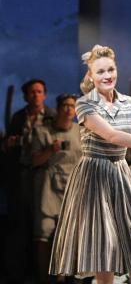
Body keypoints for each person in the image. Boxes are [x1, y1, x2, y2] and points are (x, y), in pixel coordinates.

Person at [48, 45, 131, 284]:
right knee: (104, 247)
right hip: (95, 174)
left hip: (120, 173)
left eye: (110, 69)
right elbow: (112, 136)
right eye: (100, 71)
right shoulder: (85, 104)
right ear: (91, 75)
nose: (107, 75)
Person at [3, 78, 56, 283]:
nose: (36, 95)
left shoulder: (51, 116)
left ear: (44, 94)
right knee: (20, 222)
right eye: (32, 92)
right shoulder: (18, 117)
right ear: (26, 96)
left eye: (39, 92)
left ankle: (42, 273)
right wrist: (10, 144)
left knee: (42, 224)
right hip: (22, 175)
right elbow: (8, 146)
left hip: (45, 176)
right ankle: (18, 273)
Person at [31, 93, 82, 284]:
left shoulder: (80, 132)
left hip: (72, 187)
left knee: (69, 235)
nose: (69, 109)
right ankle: (44, 279)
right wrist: (50, 150)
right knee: (44, 234)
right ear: (59, 108)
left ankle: (65, 277)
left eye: (72, 105)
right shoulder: (42, 131)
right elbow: (34, 161)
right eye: (65, 105)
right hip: (48, 188)